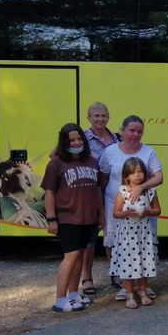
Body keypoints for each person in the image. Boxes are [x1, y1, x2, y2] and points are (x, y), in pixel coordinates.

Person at [98, 115, 164, 296]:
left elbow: (159, 177)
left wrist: (141, 187)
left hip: (143, 207)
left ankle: (143, 284)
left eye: (139, 131)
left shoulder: (148, 152)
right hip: (115, 203)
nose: (135, 134)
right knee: (117, 243)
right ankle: (123, 282)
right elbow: (103, 177)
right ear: (122, 131)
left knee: (143, 243)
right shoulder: (110, 151)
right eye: (132, 130)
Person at [42, 123, 103, 313]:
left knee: (80, 257)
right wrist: (51, 219)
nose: (76, 143)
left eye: (79, 139)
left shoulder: (91, 161)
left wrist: (101, 215)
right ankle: (60, 299)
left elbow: (98, 190)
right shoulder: (56, 163)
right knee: (70, 257)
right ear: (64, 142)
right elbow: (49, 193)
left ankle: (74, 294)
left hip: (89, 218)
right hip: (68, 217)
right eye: (71, 140)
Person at [80, 101, 120, 297]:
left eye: (104, 115)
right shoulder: (81, 138)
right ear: (89, 118)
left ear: (108, 117)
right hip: (89, 193)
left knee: (113, 235)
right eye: (96, 115)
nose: (100, 119)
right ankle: (87, 277)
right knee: (89, 237)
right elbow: (59, 153)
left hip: (112, 193)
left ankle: (116, 272)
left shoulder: (117, 139)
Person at [110, 157, 161, 309]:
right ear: (127, 177)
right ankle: (129, 294)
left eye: (140, 172)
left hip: (144, 233)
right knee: (128, 263)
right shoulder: (123, 192)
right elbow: (116, 213)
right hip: (127, 235)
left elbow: (158, 210)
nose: (138, 175)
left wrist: (148, 212)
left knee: (145, 262)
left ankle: (143, 292)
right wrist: (127, 213)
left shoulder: (150, 191)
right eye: (133, 173)